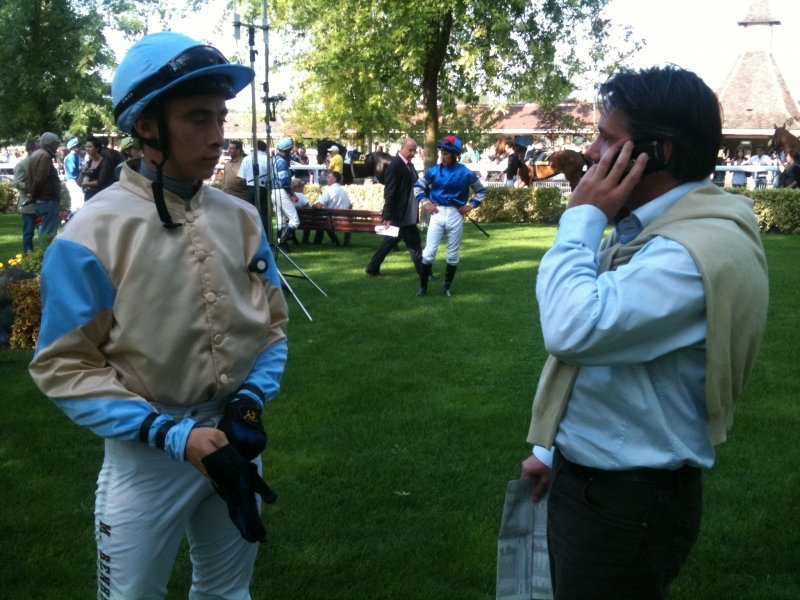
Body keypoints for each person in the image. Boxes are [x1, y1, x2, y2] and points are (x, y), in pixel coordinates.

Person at [28, 32, 289, 600]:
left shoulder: (242, 218)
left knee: (228, 593)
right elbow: (63, 365)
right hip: (147, 451)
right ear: (147, 126)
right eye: (198, 118)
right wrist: (169, 434)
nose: (218, 136)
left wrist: (249, 400)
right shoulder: (90, 234)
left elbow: (272, 326)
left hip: (234, 435)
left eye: (220, 117)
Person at [520, 65, 769, 600]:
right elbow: (609, 365)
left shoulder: (690, 252)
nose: (591, 153)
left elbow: (572, 328)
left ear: (659, 153)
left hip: (625, 505)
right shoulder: (655, 229)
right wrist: (551, 453)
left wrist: (582, 218)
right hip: (598, 485)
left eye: (607, 139)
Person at [414, 134, 486, 297]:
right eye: (442, 153)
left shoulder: (466, 173)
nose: (443, 156)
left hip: (455, 215)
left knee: (452, 254)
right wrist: (425, 202)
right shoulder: (434, 171)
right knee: (429, 252)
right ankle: (423, 288)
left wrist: (471, 205)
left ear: (455, 154)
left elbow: (481, 191)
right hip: (437, 214)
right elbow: (418, 187)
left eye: (446, 153)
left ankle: (446, 287)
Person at [365, 137, 422, 276]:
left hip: (406, 213)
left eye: (414, 150)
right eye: (410, 150)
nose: (413, 153)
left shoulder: (409, 166)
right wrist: (387, 215)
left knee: (396, 243)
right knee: (411, 244)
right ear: (401, 148)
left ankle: (372, 268)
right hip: (400, 214)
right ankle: (425, 273)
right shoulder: (395, 166)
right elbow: (390, 192)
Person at [26, 131, 62, 240]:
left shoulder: (35, 154)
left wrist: (32, 195)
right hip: (47, 199)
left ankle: (43, 250)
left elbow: (32, 178)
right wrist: (33, 194)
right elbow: (40, 179)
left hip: (41, 199)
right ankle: (46, 251)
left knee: (44, 229)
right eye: (56, 143)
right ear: (51, 143)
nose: (57, 146)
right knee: (48, 232)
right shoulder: (45, 156)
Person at [271, 137, 301, 249]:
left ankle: (283, 247)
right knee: (295, 220)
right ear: (288, 150)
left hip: (273, 192)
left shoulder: (273, 160)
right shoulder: (282, 162)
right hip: (281, 192)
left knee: (281, 221)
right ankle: (280, 243)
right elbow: (283, 181)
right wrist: (292, 194)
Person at [13, 139, 38, 253]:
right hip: (28, 205)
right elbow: (17, 183)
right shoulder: (21, 164)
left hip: (41, 202)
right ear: (31, 150)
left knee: (44, 232)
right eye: (37, 148)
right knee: (28, 232)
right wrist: (31, 186)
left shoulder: (38, 162)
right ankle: (28, 256)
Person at [313, 170, 351, 245]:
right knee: (326, 219)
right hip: (344, 220)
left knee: (323, 219)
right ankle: (343, 240)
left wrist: (314, 205)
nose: (327, 178)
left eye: (329, 177)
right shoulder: (344, 191)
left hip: (331, 220)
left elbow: (319, 206)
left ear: (335, 179)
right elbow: (349, 205)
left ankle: (318, 240)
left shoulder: (328, 190)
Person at [78, 137, 116, 202]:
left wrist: (86, 184)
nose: (87, 149)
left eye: (90, 147)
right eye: (86, 147)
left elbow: (100, 182)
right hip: (89, 195)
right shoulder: (89, 162)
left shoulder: (105, 163)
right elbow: (79, 182)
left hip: (100, 196)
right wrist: (82, 173)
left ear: (97, 148)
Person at [238, 140, 270, 209]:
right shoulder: (268, 159)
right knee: (263, 211)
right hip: (264, 188)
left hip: (250, 188)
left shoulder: (247, 159)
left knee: (250, 211)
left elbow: (242, 178)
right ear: (265, 148)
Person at [64, 137, 84, 210]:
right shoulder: (72, 157)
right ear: (74, 148)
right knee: (79, 204)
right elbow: (72, 171)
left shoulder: (74, 156)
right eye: (79, 146)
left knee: (76, 203)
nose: (81, 147)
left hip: (75, 181)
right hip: (74, 182)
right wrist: (82, 170)